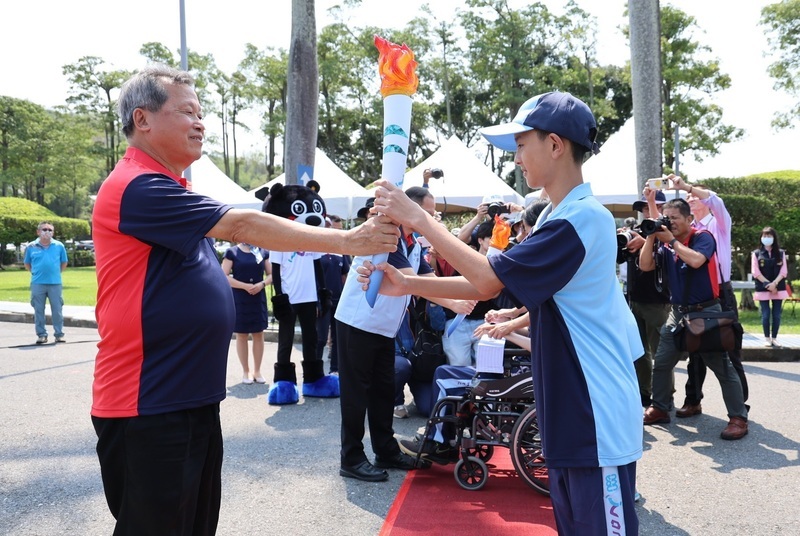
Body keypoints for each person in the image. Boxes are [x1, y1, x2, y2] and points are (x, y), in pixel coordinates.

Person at [89, 65, 399, 535]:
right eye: (186, 111)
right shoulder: (138, 185)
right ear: (143, 119)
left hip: (186, 397)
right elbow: (242, 226)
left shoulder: (172, 187)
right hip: (147, 402)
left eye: (200, 112)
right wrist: (350, 240)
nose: (199, 122)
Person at [366, 91, 643, 533]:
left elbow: (487, 279)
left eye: (521, 144)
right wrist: (409, 283)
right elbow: (486, 276)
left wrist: (418, 218)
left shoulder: (581, 219)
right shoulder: (558, 215)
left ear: (555, 144)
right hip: (572, 407)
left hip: (596, 413)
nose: (516, 158)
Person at [335, 189, 474, 483]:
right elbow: (411, 282)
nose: (431, 217)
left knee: (384, 392)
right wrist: (453, 302)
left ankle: (385, 449)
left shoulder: (412, 243)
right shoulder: (388, 234)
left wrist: (466, 290)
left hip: (384, 327)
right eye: (428, 211)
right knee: (356, 394)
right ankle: (351, 457)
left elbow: (429, 280)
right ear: (409, 208)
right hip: (358, 322)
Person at [639, 198, 749, 440]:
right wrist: (651, 236)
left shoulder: (703, 237)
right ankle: (659, 407)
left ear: (689, 219)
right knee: (663, 361)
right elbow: (645, 265)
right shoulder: (665, 243)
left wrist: (672, 241)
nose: (670, 223)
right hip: (677, 312)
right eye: (665, 218)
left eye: (674, 218)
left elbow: (697, 260)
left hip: (706, 311)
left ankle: (738, 418)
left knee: (720, 365)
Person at [670, 175, 749, 417]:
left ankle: (739, 407)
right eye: (687, 197)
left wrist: (686, 186)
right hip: (695, 297)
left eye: (694, 196)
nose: (690, 198)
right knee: (694, 350)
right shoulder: (689, 231)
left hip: (720, 293)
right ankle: (693, 400)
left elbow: (717, 201)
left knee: (728, 350)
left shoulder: (718, 223)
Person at [621, 190, 671, 407]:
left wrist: (645, 240)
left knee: (662, 354)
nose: (644, 211)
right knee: (639, 352)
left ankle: (664, 397)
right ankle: (644, 394)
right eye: (642, 208)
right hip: (635, 299)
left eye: (649, 206)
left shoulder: (665, 232)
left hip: (657, 301)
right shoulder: (640, 232)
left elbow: (661, 244)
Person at [221, 242, 271, 384]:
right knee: (241, 334)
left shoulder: (263, 251)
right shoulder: (232, 252)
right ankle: (245, 371)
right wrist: (245, 286)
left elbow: (271, 274)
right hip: (240, 296)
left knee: (259, 333)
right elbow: (223, 275)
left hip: (258, 295)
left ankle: (257, 371)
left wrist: (261, 284)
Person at [24, 221, 68, 345]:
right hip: (38, 283)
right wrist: (35, 272)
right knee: (38, 310)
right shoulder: (31, 247)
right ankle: (41, 335)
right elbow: (27, 263)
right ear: (38, 232)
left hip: (55, 283)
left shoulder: (59, 246)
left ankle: (59, 334)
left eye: (50, 230)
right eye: (44, 229)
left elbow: (63, 262)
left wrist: (56, 273)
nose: (47, 232)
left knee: (57, 310)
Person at [316, 215, 350, 374]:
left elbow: (345, 275)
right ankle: (315, 372)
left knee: (337, 338)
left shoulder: (341, 250)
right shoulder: (315, 250)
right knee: (320, 338)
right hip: (321, 300)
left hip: (338, 300)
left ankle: (335, 370)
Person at [751, 227, 789, 347]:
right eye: (764, 236)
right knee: (766, 315)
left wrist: (775, 284)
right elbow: (755, 272)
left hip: (778, 287)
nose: (766, 238)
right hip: (763, 288)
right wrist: (768, 284)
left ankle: (775, 337)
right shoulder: (756, 254)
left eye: (769, 236)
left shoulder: (781, 253)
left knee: (777, 315)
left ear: (774, 238)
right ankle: (767, 338)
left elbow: (784, 272)